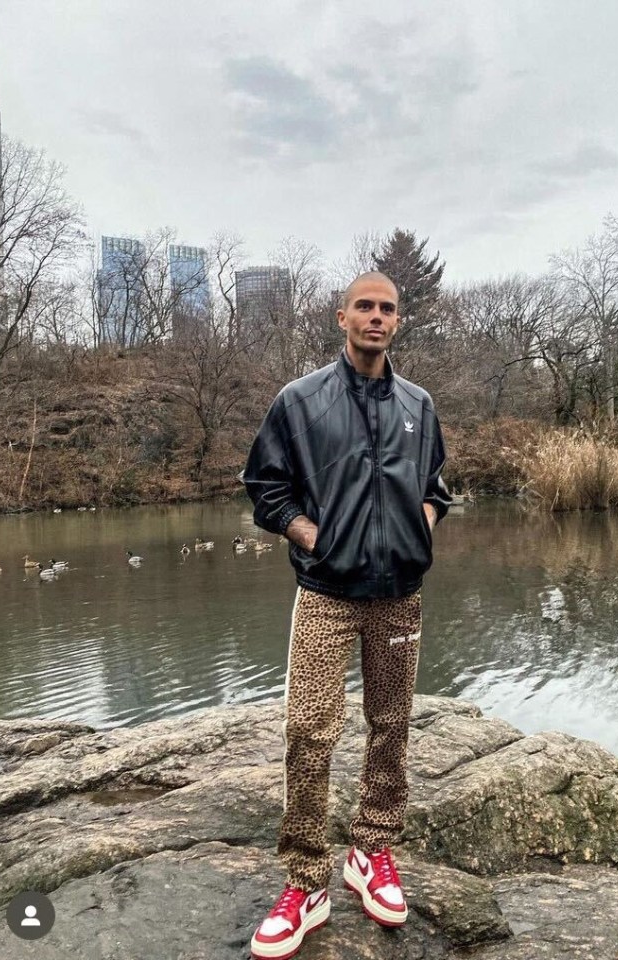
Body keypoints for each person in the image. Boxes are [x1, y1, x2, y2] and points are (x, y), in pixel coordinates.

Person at [243, 271, 451, 960]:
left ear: (399, 321)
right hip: (327, 594)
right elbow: (265, 488)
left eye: (387, 308)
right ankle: (306, 882)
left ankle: (372, 851)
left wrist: (420, 526)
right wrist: (315, 538)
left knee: (390, 724)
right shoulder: (299, 401)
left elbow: (436, 486)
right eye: (365, 305)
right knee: (309, 729)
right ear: (341, 318)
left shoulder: (419, 403)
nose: (376, 316)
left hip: (399, 594)